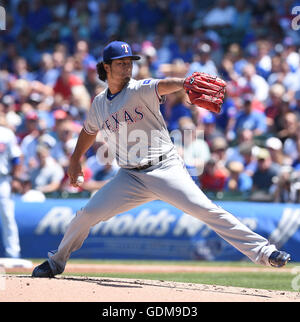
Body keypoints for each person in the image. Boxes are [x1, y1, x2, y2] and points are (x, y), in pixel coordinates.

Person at [32, 41, 290, 278]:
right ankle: (56, 262)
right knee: (86, 214)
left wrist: (185, 81)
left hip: (165, 168)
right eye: (121, 63)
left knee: (206, 209)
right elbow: (88, 131)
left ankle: (264, 252)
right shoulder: (99, 104)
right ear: (106, 67)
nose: (127, 67)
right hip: (129, 177)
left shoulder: (138, 89)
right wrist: (76, 160)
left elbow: (161, 84)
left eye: (130, 62)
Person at [0, 123, 22, 258]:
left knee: (8, 216)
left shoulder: (6, 134)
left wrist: (16, 179)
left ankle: (13, 253)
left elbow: (16, 158)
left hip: (2, 180)